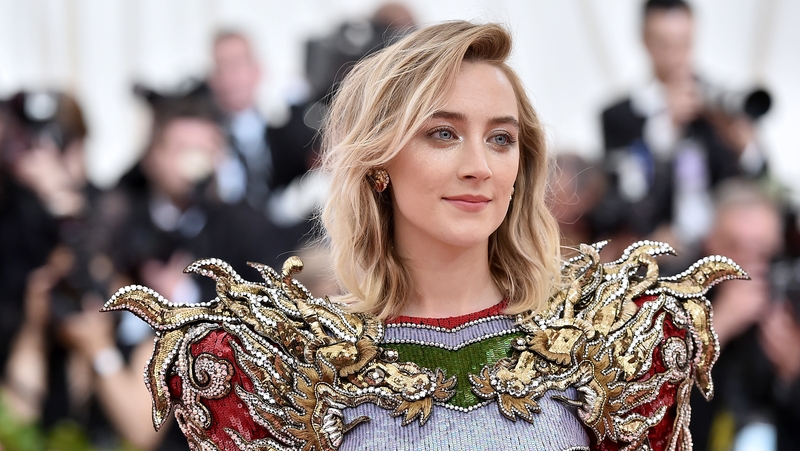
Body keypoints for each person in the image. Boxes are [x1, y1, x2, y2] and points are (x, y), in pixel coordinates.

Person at [106, 22, 739, 451]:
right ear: (378, 160)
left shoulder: (607, 353)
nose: (479, 165)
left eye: (501, 138)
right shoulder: (294, 373)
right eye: (442, 133)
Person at [599, 0, 767, 258]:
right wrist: (664, 129)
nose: (676, 55)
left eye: (685, 42)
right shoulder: (619, 116)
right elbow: (622, 194)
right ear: (645, 41)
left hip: (722, 249)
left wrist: (745, 145)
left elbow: (762, 183)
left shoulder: (716, 105)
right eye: (665, 43)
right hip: (658, 253)